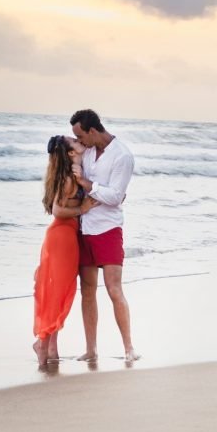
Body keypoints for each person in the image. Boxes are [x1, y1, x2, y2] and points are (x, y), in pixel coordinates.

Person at [69, 109, 139, 363]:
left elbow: (115, 197)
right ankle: (91, 350)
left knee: (113, 289)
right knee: (87, 291)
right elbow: (104, 193)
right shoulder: (87, 150)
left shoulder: (122, 156)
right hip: (84, 228)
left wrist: (88, 185)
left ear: (92, 131)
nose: (78, 141)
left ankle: (129, 348)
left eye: (80, 136)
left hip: (108, 229)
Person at [33, 135, 96, 366]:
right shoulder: (68, 179)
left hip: (64, 237)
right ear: (71, 153)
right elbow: (58, 210)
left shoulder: (71, 174)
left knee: (59, 292)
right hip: (62, 237)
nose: (80, 142)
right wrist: (82, 209)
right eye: (75, 142)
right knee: (58, 293)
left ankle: (51, 347)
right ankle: (42, 344)